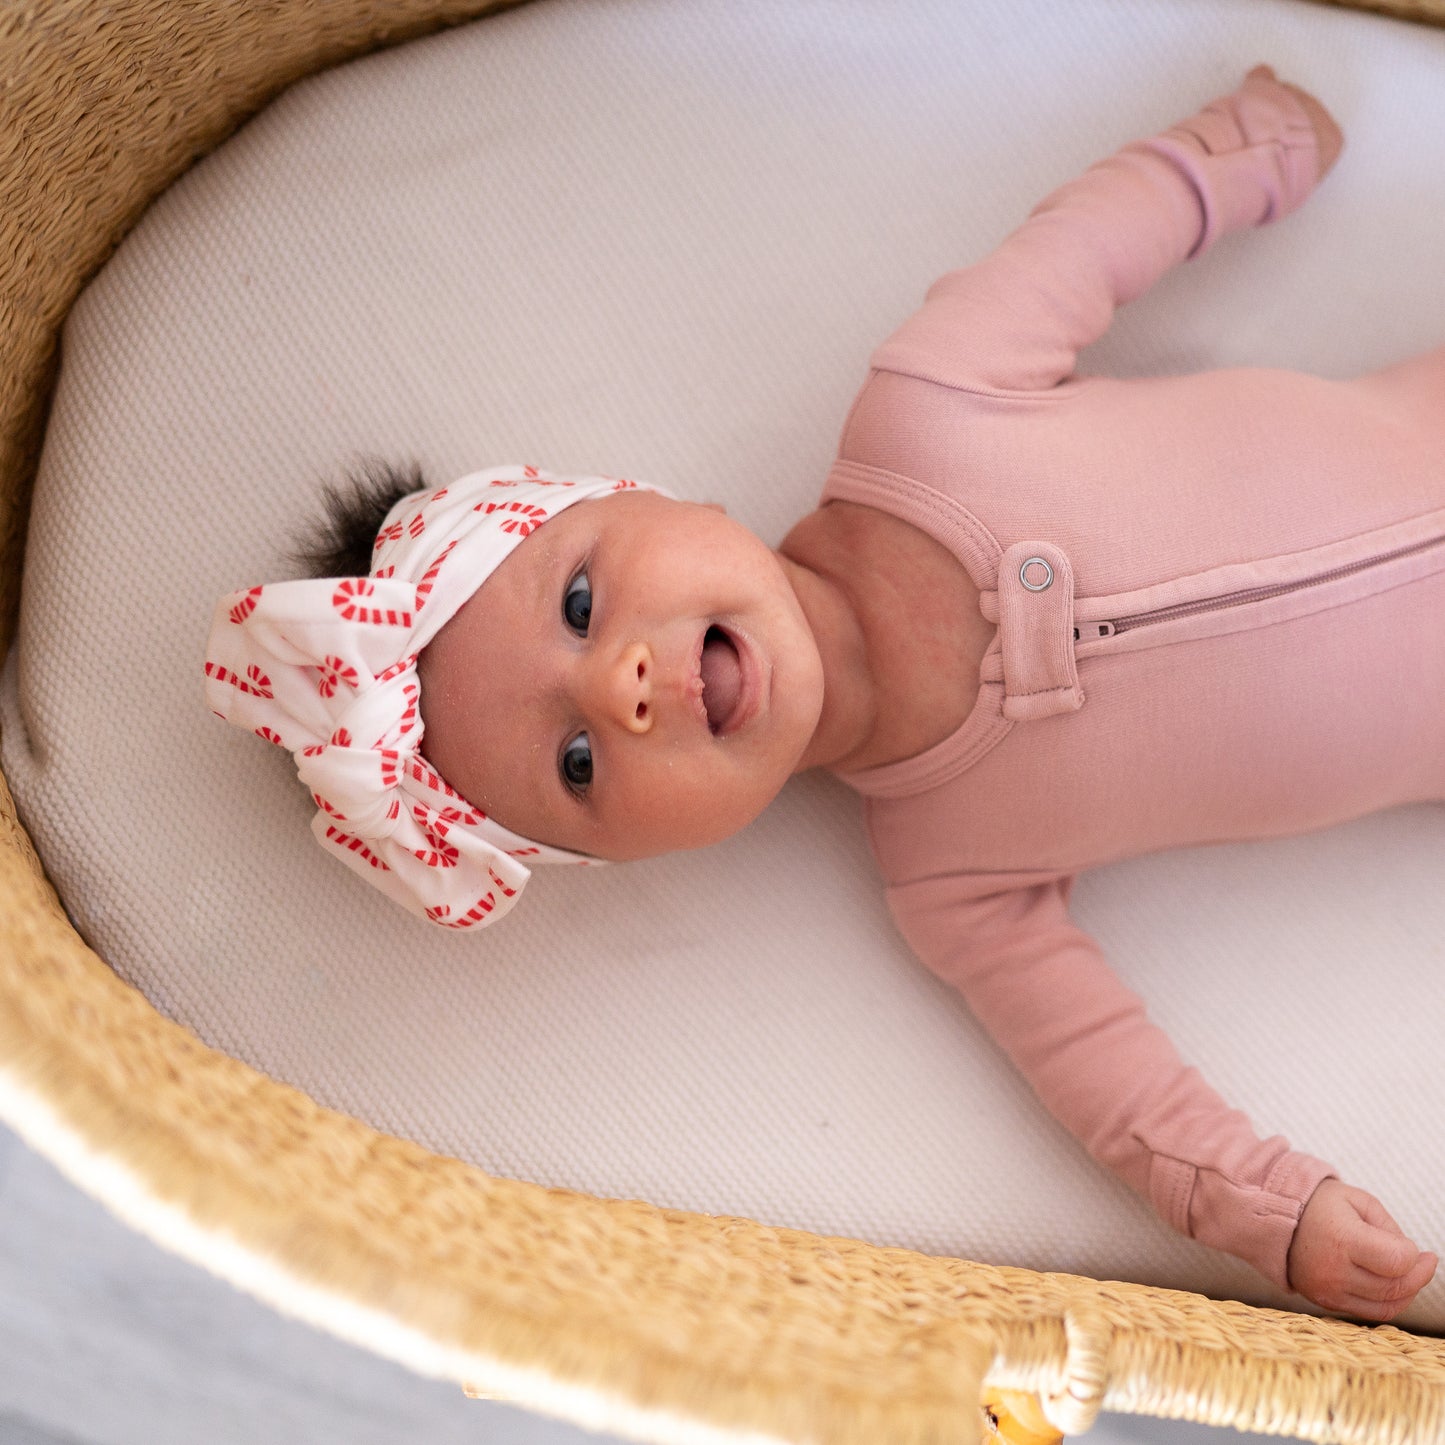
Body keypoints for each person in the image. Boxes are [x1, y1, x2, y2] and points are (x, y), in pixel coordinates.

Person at [205, 66, 1442, 1321]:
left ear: (641, 496)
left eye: (580, 603)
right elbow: (1110, 1086)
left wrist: (1236, 153)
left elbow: (1083, 246)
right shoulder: (956, 876)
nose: (621, 684)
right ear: (633, 852)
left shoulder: (929, 408)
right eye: (576, 765)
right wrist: (1268, 1211)